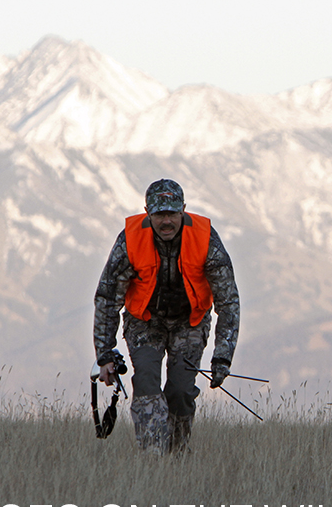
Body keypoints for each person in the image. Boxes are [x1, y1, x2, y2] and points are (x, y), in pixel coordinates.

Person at [93, 179, 240, 454]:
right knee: (147, 382)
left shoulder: (206, 239)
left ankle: (176, 456)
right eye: (160, 214)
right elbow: (107, 296)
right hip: (144, 321)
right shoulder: (130, 239)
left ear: (183, 210)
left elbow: (228, 300)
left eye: (172, 213)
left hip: (190, 322)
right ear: (147, 212)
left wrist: (223, 355)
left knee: (181, 392)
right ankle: (153, 459)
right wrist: (105, 353)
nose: (167, 221)